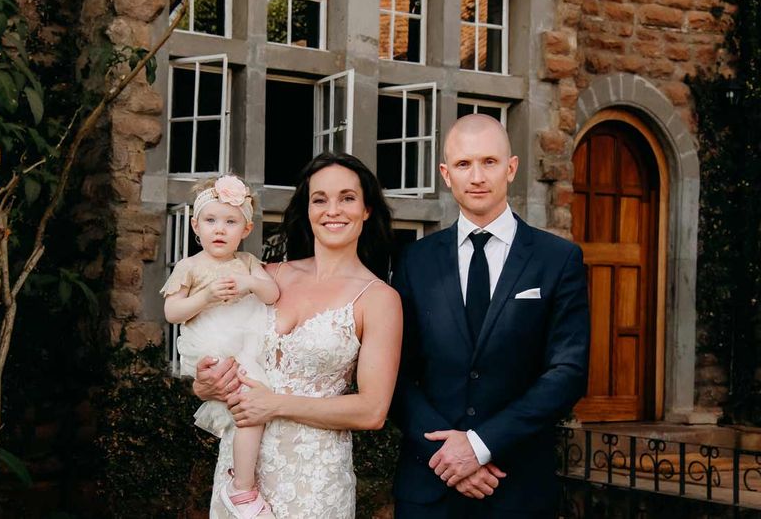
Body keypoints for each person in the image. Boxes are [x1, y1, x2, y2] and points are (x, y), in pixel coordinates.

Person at [391, 114, 590, 518]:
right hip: (429, 488)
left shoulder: (558, 259)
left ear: (511, 167)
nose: (477, 176)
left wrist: (481, 445)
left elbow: (567, 372)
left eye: (489, 162)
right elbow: (394, 374)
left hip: (517, 487)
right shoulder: (415, 260)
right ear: (446, 174)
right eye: (464, 164)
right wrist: (448, 456)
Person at [193, 152, 403, 519]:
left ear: (367, 209)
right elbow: (219, 347)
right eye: (319, 199)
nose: (332, 210)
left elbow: (372, 410)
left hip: (314, 479)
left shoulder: (378, 299)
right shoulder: (267, 275)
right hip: (240, 471)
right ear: (307, 209)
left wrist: (275, 404)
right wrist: (206, 384)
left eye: (347, 198)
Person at [161, 175, 280, 519]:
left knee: (255, 407)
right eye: (211, 221)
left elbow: (272, 294)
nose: (220, 229)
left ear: (245, 229)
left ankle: (243, 482)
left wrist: (250, 283)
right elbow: (172, 311)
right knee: (249, 409)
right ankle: (242, 488)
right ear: (196, 226)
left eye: (230, 222)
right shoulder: (190, 266)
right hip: (216, 347)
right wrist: (206, 295)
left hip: (247, 343)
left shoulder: (246, 263)